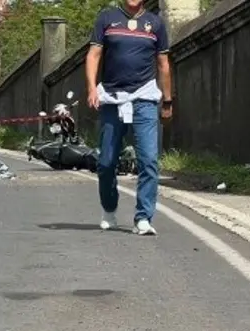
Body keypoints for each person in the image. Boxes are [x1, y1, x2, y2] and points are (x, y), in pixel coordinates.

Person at [86, 0, 173, 236]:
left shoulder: (155, 23)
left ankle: (143, 217)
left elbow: (163, 64)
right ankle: (109, 209)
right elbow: (94, 55)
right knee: (106, 163)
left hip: (144, 98)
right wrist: (92, 88)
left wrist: (167, 100)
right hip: (113, 99)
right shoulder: (107, 18)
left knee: (149, 160)